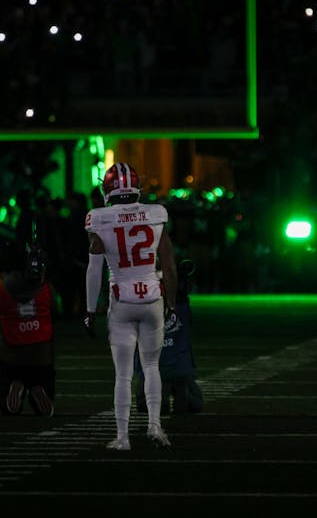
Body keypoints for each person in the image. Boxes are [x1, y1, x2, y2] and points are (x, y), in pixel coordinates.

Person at [83, 162, 177, 450]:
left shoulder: (98, 218)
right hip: (152, 297)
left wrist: (89, 310)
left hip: (121, 299)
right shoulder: (156, 213)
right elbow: (169, 266)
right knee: (151, 366)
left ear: (108, 188)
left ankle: (123, 437)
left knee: (123, 373)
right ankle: (155, 427)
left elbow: (94, 269)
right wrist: (172, 305)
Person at [0, 241, 55, 416]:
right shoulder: (43, 285)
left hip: (10, 353)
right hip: (41, 354)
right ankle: (39, 388)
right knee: (44, 377)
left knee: (7, 381)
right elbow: (54, 304)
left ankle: (13, 385)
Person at [134, 258, 203, 415]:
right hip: (178, 364)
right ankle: (170, 392)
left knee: (151, 402)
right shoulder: (179, 302)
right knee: (189, 401)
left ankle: (157, 395)